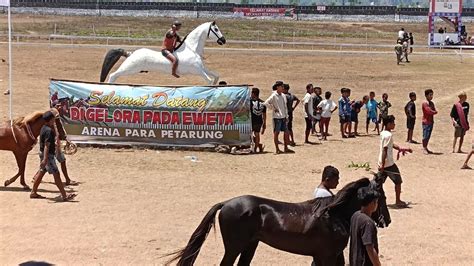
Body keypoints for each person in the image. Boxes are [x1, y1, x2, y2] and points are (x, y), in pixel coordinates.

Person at [30, 111, 76, 201]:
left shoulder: (43, 128)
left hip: (43, 154)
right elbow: (47, 145)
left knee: (41, 172)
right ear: (51, 119)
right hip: (48, 156)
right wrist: (45, 159)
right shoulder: (49, 131)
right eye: (54, 118)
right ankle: (64, 195)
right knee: (56, 174)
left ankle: (33, 192)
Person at [378, 115, 409, 207]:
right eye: (393, 123)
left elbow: (390, 145)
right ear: (388, 124)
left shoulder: (383, 133)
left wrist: (400, 148)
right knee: (398, 181)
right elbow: (385, 150)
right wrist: (383, 165)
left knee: (378, 183)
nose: (394, 124)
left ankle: (376, 201)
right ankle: (398, 201)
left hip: (382, 162)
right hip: (388, 164)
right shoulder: (389, 135)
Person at [349, 186, 381, 266]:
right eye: (376, 202)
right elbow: (369, 247)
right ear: (372, 203)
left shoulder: (355, 215)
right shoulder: (368, 222)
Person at [264, 81, 293, 154]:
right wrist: (273, 108)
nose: (282, 88)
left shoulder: (283, 95)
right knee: (276, 133)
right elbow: (266, 103)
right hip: (277, 117)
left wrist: (287, 116)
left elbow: (285, 106)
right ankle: (277, 149)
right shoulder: (273, 95)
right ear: (277, 87)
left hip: (283, 117)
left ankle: (286, 148)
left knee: (286, 132)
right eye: (281, 86)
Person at [250, 87, 266, 153]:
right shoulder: (263, 102)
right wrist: (264, 123)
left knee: (250, 135)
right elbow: (264, 114)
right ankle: (257, 147)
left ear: (253, 93)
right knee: (257, 134)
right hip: (259, 121)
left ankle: (255, 147)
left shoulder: (250, 102)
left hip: (251, 120)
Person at [422, 89, 438, 154]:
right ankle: (424, 148)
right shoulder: (425, 103)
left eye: (432, 95)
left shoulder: (431, 103)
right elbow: (429, 111)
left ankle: (426, 147)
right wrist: (434, 112)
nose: (431, 96)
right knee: (425, 136)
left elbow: (433, 110)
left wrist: (434, 111)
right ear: (426, 95)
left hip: (431, 121)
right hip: (426, 122)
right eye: (430, 95)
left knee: (428, 136)